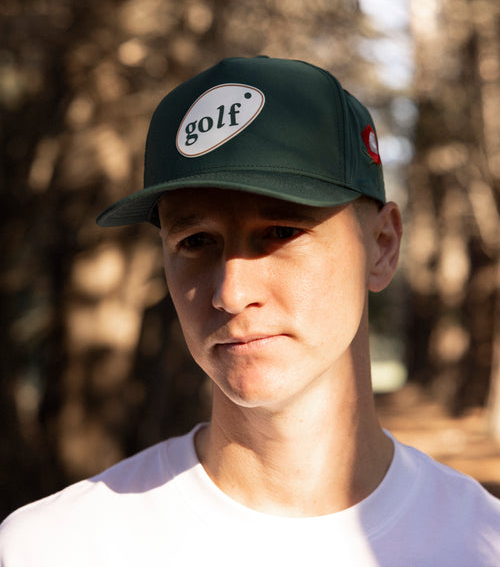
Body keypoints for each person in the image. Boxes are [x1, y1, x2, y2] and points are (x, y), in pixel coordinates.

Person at [1, 56, 499, 566]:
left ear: (383, 246)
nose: (231, 292)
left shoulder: (480, 544)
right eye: (196, 241)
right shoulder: (50, 548)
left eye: (281, 232)